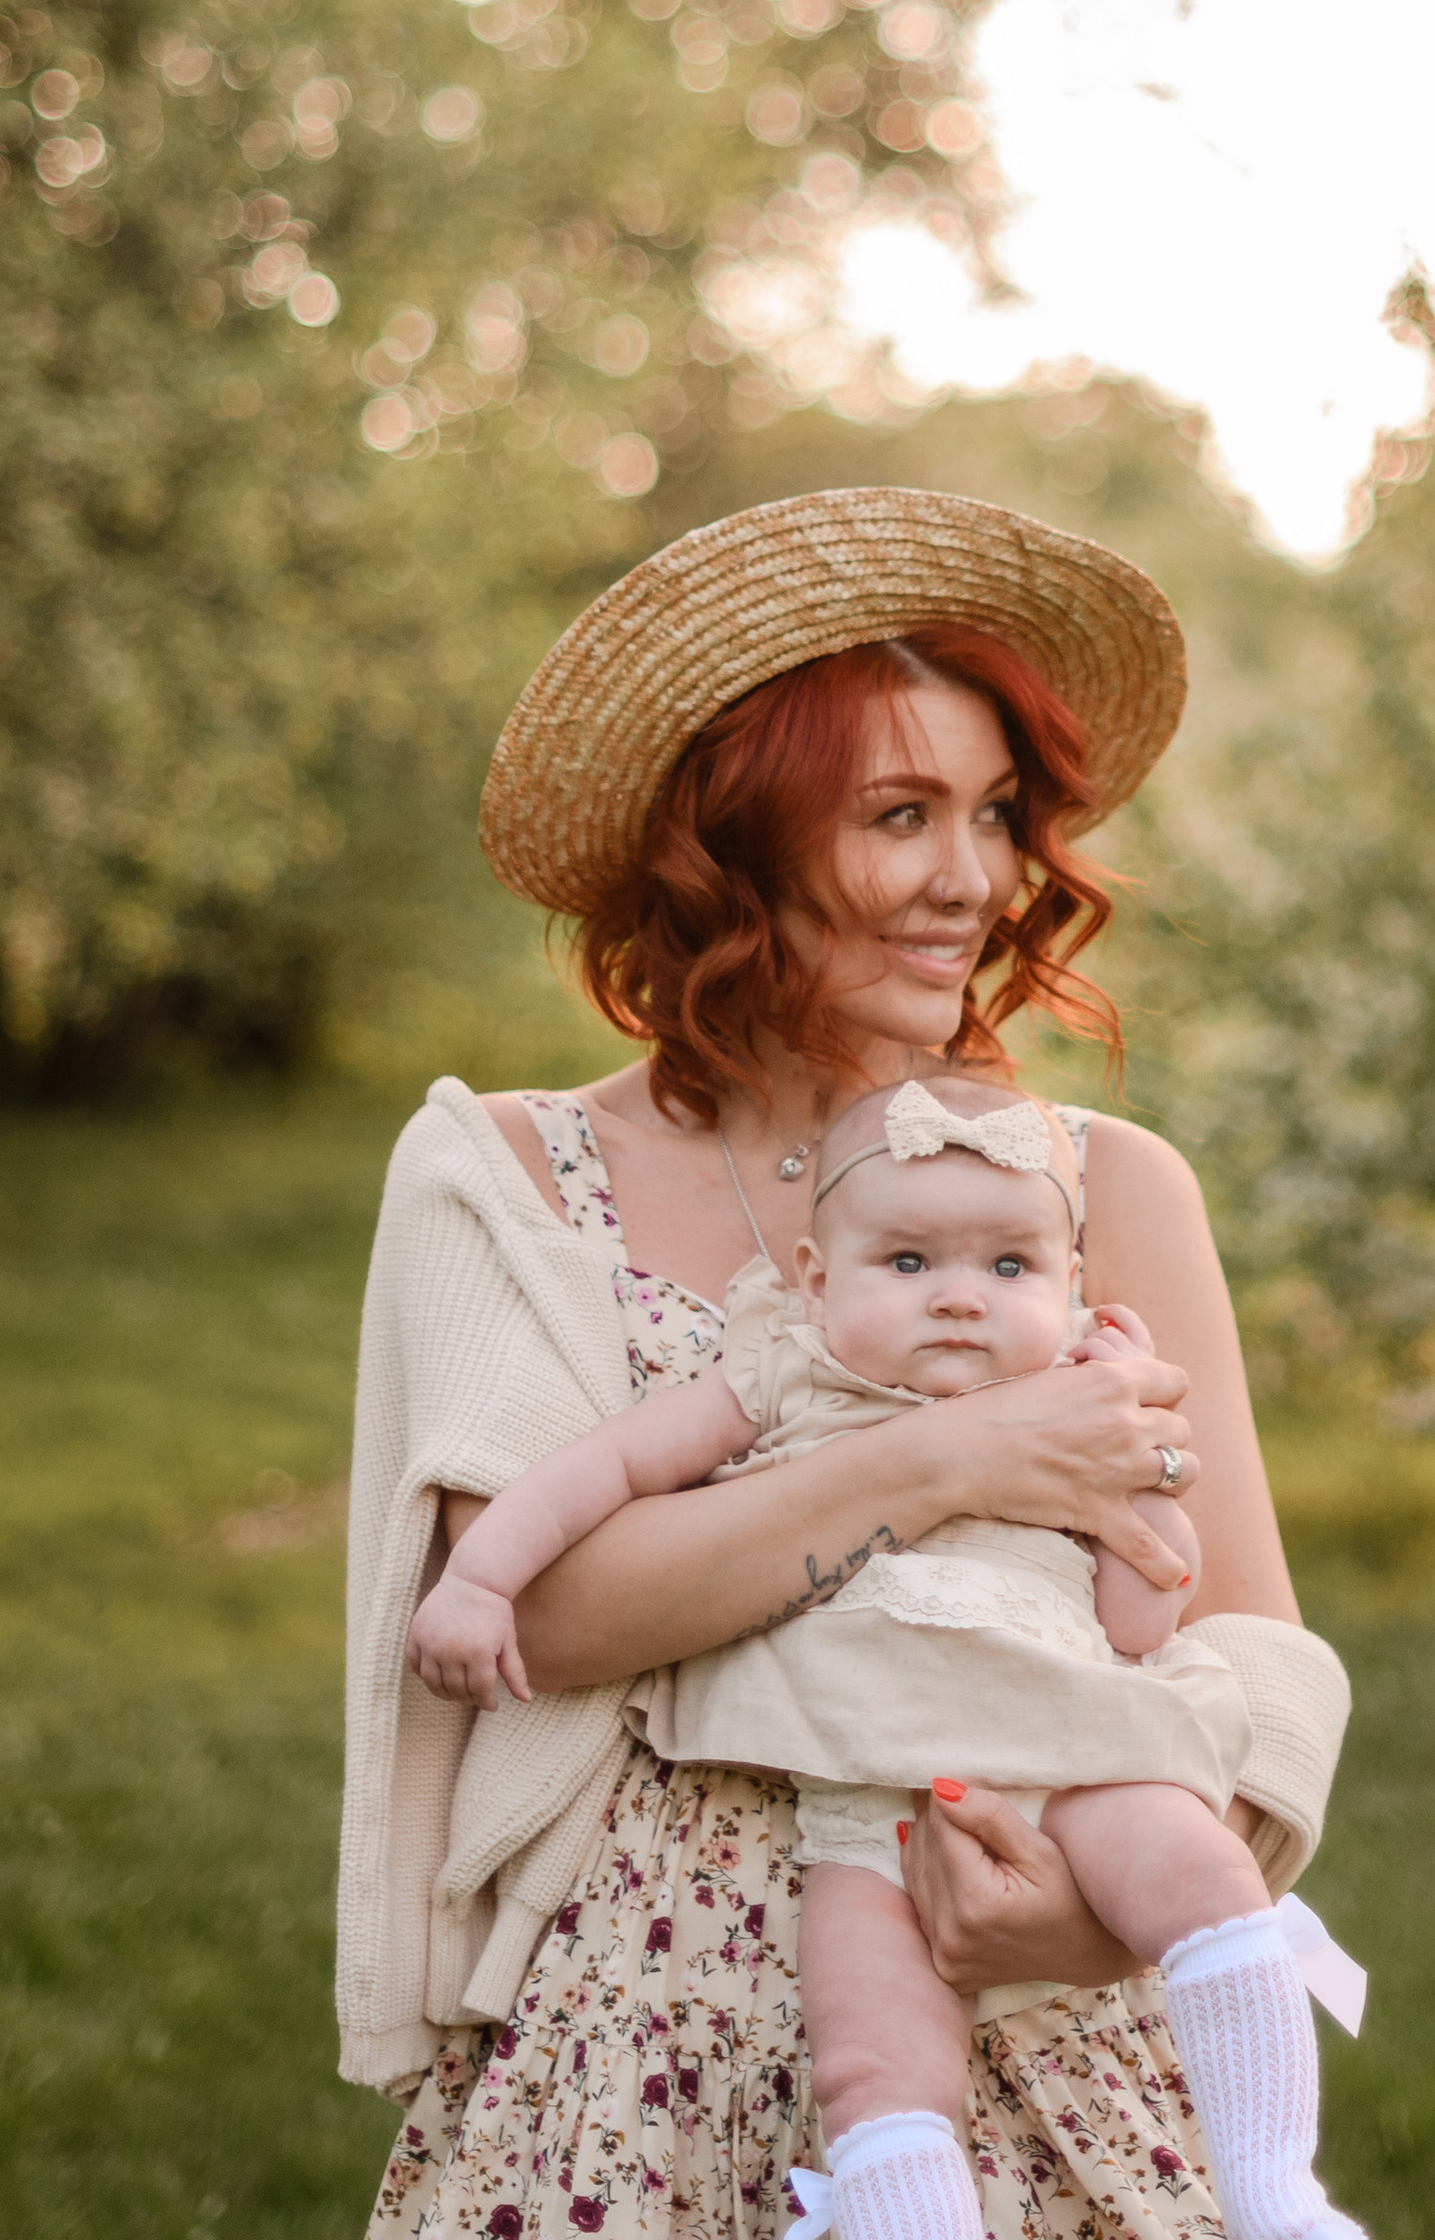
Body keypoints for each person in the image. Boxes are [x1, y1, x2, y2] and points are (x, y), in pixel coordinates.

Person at [340, 488, 1358, 2240]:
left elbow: (1250, 1641)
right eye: (900, 816)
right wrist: (949, 1460)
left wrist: (1100, 1914)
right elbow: (553, 1616)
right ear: (725, 851)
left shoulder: (1105, 1191)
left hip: (1023, 1970)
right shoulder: (500, 1179)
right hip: (636, 2032)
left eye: (993, 814)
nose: (972, 878)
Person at [407, 1068, 1365, 2240]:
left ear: (1070, 1284)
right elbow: (598, 1472)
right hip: (861, 1796)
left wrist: (1148, 1484)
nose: (959, 1299)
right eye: (908, 1265)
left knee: (1212, 1888)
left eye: (1007, 1269)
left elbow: (1141, 1619)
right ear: (816, 1280)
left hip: (1078, 1752)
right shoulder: (787, 1370)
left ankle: (1276, 2197)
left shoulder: (1077, 1398)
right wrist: (482, 1576)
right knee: (872, 2060)